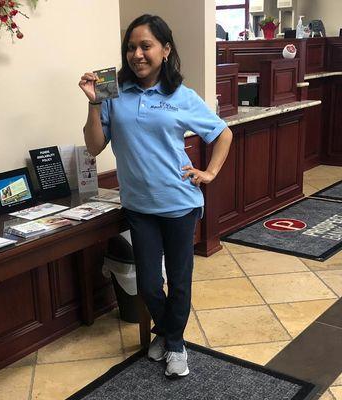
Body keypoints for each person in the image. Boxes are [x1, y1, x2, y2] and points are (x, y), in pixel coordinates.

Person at [79, 14, 232, 378]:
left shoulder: (181, 95)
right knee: (148, 282)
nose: (137, 54)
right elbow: (94, 146)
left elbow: (222, 134)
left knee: (179, 280)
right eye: (131, 47)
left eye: (145, 46)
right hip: (138, 207)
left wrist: (209, 172)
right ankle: (167, 332)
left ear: (165, 50)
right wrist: (93, 103)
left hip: (180, 203)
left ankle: (174, 344)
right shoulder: (112, 92)